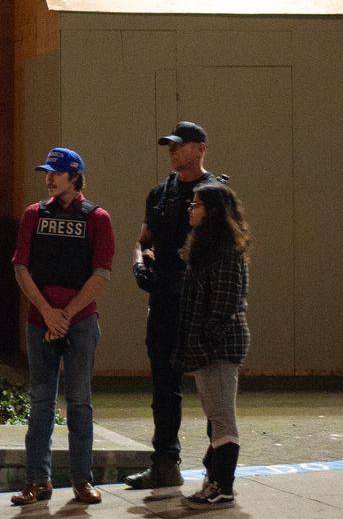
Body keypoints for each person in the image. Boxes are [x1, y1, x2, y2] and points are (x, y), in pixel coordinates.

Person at [125, 122, 228, 494]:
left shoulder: (216, 194)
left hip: (202, 303)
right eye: (170, 146)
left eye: (179, 146)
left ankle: (216, 470)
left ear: (200, 148)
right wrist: (140, 264)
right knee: (164, 388)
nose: (172, 151)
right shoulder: (160, 194)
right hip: (165, 299)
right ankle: (165, 465)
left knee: (211, 389)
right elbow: (143, 241)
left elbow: (229, 249)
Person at [10, 148, 114, 506]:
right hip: (40, 322)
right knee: (40, 401)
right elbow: (21, 267)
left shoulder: (97, 218)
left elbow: (101, 275)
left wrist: (66, 314)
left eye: (56, 172)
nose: (49, 178)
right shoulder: (33, 215)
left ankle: (82, 480)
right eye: (47, 172)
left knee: (80, 402)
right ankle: (37, 480)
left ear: (75, 176)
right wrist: (47, 313)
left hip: (80, 322)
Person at [176, 182, 251, 508]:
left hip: (219, 347)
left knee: (222, 418)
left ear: (213, 213)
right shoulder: (206, 251)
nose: (191, 209)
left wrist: (203, 345)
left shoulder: (225, 255)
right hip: (208, 346)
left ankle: (223, 487)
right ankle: (214, 481)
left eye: (197, 205)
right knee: (216, 415)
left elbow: (222, 308)